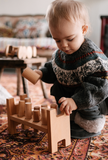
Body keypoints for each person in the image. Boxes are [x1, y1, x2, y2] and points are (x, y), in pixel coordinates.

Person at [34, 0, 108, 138]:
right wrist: (42, 72)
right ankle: (72, 116)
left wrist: (76, 101)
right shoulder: (61, 53)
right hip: (69, 94)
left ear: (83, 30)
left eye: (70, 39)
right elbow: (54, 68)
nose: (64, 45)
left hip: (91, 97)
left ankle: (91, 123)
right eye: (57, 40)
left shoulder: (92, 57)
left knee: (88, 98)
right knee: (58, 89)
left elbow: (100, 86)